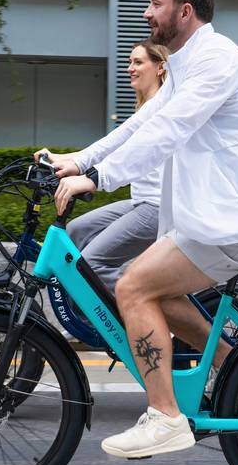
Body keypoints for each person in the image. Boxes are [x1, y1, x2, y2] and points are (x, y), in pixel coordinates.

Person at [44, 0, 238, 459]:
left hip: (235, 222)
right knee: (152, 287)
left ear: (184, 11)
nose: (146, 12)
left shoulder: (216, 61)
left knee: (133, 285)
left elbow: (169, 129)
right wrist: (79, 160)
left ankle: (165, 416)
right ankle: (232, 366)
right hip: (210, 222)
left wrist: (99, 179)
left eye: (154, 4)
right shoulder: (186, 66)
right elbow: (144, 123)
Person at [55, 41, 168, 291]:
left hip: (158, 207)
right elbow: (109, 145)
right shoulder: (147, 107)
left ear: (160, 67)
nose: (130, 68)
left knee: (91, 265)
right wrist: (61, 159)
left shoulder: (161, 106)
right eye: (130, 62)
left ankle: (139, 318)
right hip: (142, 202)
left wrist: (80, 167)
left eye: (138, 62)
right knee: (76, 231)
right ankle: (86, 321)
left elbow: (113, 146)